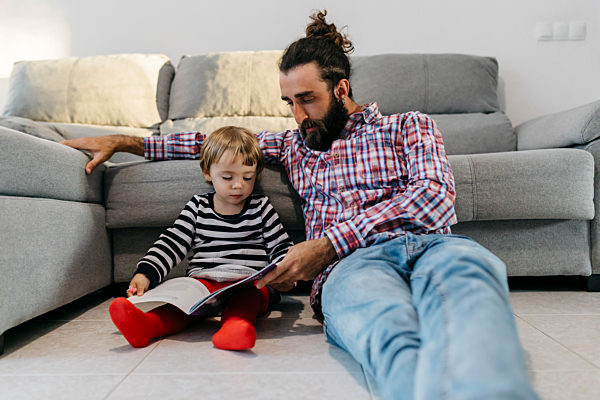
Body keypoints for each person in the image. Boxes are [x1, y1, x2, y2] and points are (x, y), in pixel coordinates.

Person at [62, 10, 538, 400]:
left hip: (432, 247)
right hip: (352, 269)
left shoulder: (408, 125)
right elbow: (212, 143)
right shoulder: (294, 144)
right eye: (288, 101)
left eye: (307, 99)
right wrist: (127, 141)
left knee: (473, 307)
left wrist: (329, 242)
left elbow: (435, 197)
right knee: (388, 333)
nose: (297, 114)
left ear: (342, 89)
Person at [108, 126, 294, 351]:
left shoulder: (261, 207)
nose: (239, 185)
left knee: (247, 298)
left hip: (248, 283)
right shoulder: (198, 207)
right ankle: (146, 325)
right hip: (204, 284)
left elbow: (281, 246)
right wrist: (145, 273)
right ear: (208, 172)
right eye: (227, 177)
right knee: (181, 304)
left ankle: (235, 328)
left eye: (248, 177)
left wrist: (285, 274)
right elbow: (172, 242)